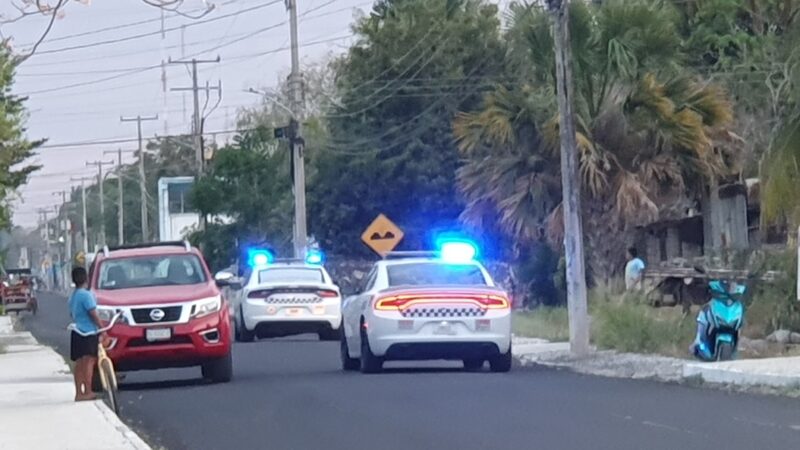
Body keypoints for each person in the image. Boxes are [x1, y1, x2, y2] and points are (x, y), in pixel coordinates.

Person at [68, 267, 105, 401]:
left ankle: (79, 393)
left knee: (79, 363)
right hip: (88, 332)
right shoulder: (86, 295)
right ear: (86, 278)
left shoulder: (73, 296)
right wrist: (102, 329)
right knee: (89, 361)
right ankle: (88, 391)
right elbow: (93, 313)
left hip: (76, 331)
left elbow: (72, 314)